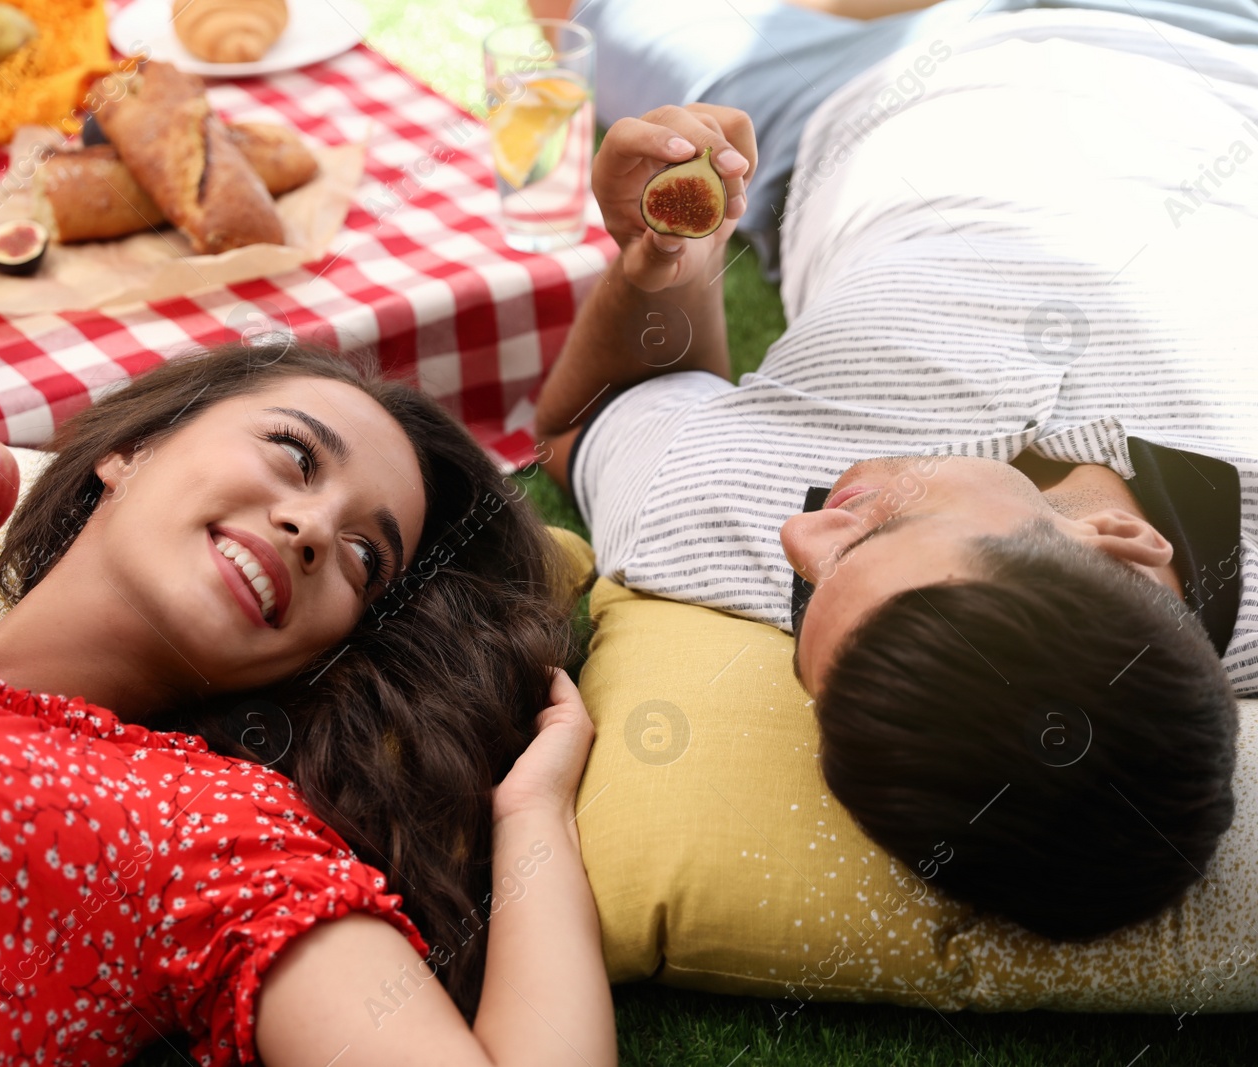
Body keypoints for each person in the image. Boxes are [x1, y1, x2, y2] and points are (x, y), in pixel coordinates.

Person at [0, 342, 616, 1067]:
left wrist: (532, 815)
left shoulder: (215, 831)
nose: (315, 527)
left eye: (367, 558)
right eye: (292, 455)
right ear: (131, 449)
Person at [536, 0, 1258, 940]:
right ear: (1118, 540)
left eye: (808, 599)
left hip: (850, 97)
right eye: (880, 529)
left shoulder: (724, 526)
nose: (802, 532)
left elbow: (588, 421)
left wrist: (667, 257)